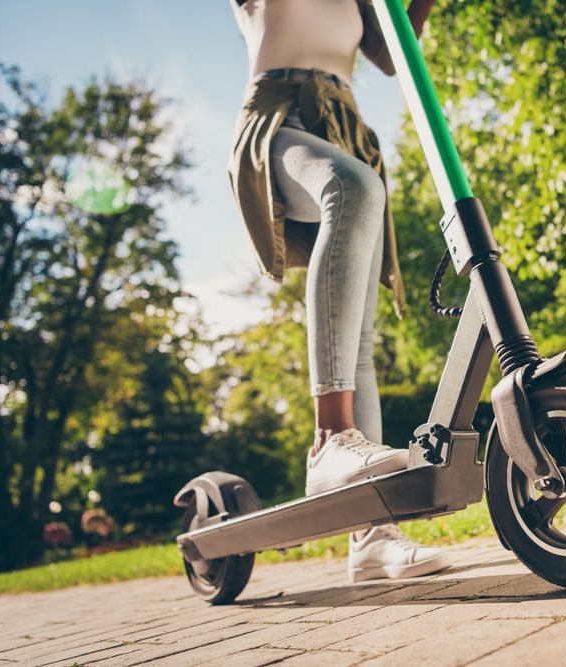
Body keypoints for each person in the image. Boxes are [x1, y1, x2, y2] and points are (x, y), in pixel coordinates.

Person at [227, 0, 449, 582]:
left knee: (359, 342)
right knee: (352, 189)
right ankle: (331, 439)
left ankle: (372, 536)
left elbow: (393, 54)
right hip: (280, 120)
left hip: (345, 125)